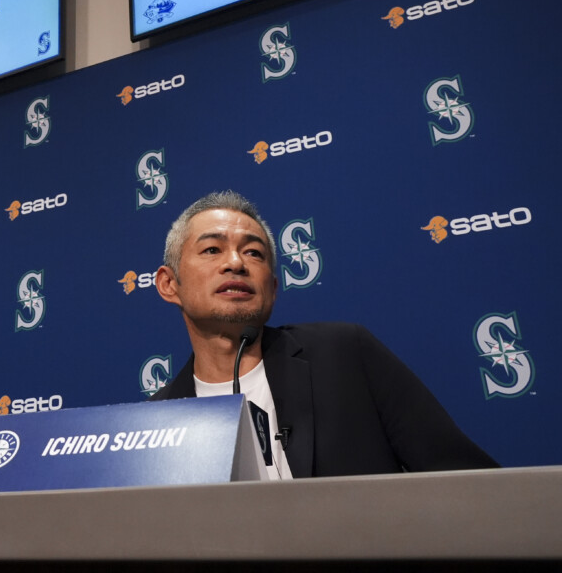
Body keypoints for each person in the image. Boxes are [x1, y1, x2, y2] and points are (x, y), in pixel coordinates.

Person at [150, 190, 498, 479]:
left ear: (271, 288)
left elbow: (466, 479)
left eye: (254, 252)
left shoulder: (344, 355)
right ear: (169, 284)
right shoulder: (158, 420)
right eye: (212, 249)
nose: (237, 263)